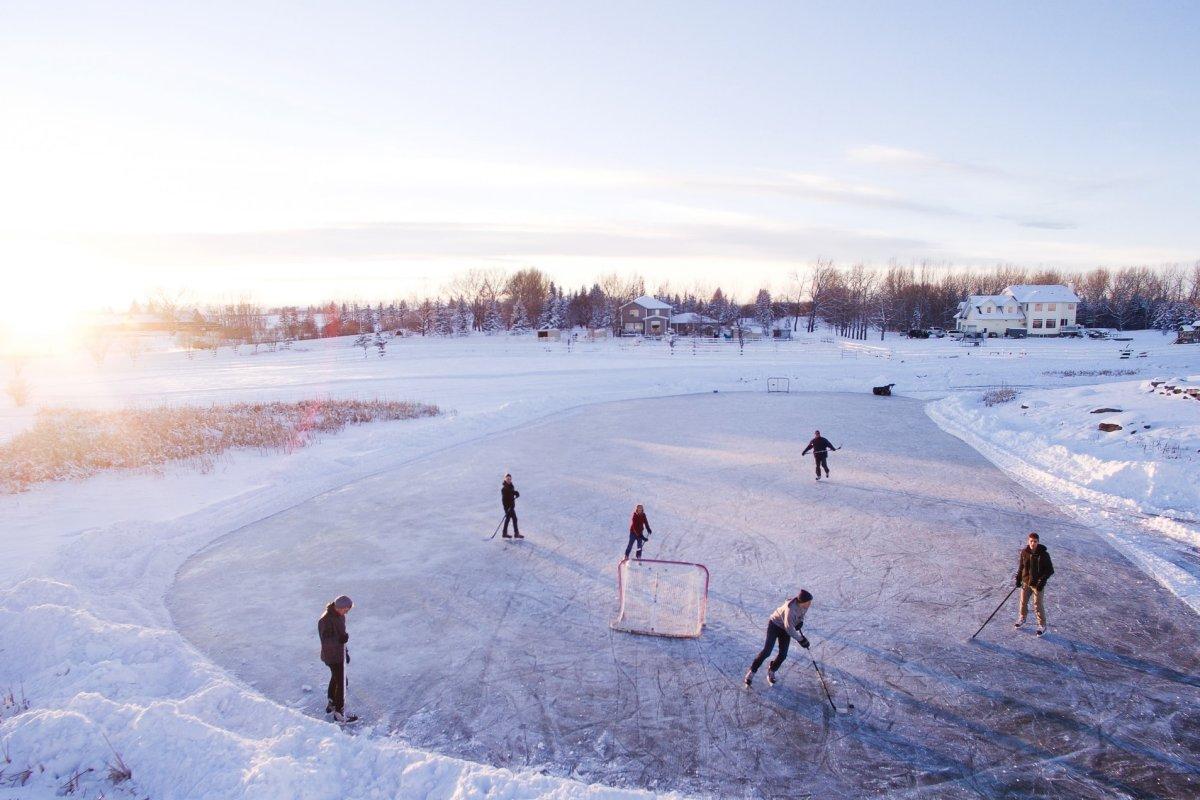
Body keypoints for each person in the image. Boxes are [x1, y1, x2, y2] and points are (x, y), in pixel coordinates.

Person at [744, 590, 812, 687]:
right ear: (802, 601)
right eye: (808, 602)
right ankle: (751, 672)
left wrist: (799, 622)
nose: (810, 604)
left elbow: (801, 616)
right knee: (767, 651)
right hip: (775, 625)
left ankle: (772, 670)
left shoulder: (805, 606)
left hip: (785, 628)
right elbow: (789, 629)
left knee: (783, 654)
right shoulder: (791, 610)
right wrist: (801, 639)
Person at [317, 595, 357, 722]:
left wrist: (346, 652)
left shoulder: (340, 616)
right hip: (331, 656)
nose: (347, 612)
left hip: (339, 654)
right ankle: (339, 712)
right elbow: (326, 640)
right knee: (341, 682)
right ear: (339, 607)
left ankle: (332, 702)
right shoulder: (325, 620)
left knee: (336, 678)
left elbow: (342, 636)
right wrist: (339, 640)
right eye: (346, 609)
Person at [1014, 532, 1054, 635]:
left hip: (1037, 584)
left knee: (1037, 604)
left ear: (1038, 542)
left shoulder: (1044, 555)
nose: (1033, 543)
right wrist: (1018, 578)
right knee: (1023, 602)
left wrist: (1042, 581)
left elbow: (1050, 570)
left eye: (1035, 541)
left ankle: (1042, 625)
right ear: (1028, 541)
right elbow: (1021, 567)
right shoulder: (1024, 552)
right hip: (1026, 582)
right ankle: (1022, 617)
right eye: (1031, 541)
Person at [501, 473, 523, 539]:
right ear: (505, 479)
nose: (509, 480)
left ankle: (505, 533)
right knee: (513, 519)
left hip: (511, 506)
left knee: (510, 519)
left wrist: (516, 493)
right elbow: (504, 500)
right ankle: (515, 533)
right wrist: (507, 508)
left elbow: (512, 492)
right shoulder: (504, 489)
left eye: (510, 479)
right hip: (508, 507)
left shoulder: (511, 486)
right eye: (507, 479)